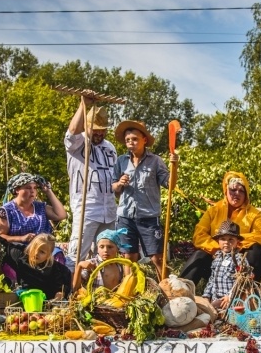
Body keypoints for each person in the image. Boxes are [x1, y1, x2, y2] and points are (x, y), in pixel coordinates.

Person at [111, 120, 178, 278]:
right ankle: (129, 290)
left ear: (144, 140)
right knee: (129, 256)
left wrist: (175, 166)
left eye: (134, 139)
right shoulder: (121, 161)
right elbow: (113, 187)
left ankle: (165, 290)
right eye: (128, 140)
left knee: (157, 257)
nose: (131, 143)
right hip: (125, 216)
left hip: (148, 217)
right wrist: (119, 183)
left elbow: (170, 184)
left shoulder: (155, 161)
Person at [179, 172, 261, 286]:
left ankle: (247, 293)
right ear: (226, 190)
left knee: (256, 249)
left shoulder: (254, 213)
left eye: (241, 191)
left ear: (246, 194)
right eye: (233, 190)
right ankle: (179, 292)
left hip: (240, 264)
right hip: (216, 262)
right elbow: (199, 235)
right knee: (199, 255)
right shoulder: (214, 210)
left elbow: (260, 235)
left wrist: (234, 245)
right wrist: (218, 249)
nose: (237, 194)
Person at [65, 100, 118, 271]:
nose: (99, 134)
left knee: (106, 254)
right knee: (77, 253)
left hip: (109, 210)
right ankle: (69, 290)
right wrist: (83, 104)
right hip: (87, 209)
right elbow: (73, 130)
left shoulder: (109, 148)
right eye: (95, 129)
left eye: (102, 130)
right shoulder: (78, 143)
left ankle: (101, 288)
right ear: (86, 127)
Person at [0, 172, 67, 282]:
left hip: (43, 249)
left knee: (57, 255)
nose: (32, 191)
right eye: (28, 188)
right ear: (17, 190)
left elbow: (61, 215)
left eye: (35, 188)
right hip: (20, 252)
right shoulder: (6, 211)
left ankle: (57, 290)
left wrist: (48, 191)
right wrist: (21, 238)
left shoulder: (40, 207)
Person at [7, 233, 72, 300]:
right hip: (24, 298)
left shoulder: (54, 268)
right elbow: (1, 242)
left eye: (42, 252)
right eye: (35, 248)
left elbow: (60, 290)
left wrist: (54, 301)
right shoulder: (21, 256)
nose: (36, 253)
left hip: (45, 301)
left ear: (48, 255)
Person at [202, 220, 247, 310]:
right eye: (223, 239)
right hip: (216, 300)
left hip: (231, 300)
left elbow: (243, 282)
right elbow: (212, 279)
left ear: (237, 241)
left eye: (231, 239)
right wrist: (206, 296)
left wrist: (230, 296)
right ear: (218, 241)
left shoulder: (239, 259)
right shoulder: (217, 258)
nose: (226, 242)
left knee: (229, 319)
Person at [72, 228, 126, 292]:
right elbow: (75, 288)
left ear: (117, 248)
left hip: (115, 300)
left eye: (110, 247)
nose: (105, 250)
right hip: (95, 301)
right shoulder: (91, 264)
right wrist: (79, 267)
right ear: (97, 248)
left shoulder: (121, 266)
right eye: (101, 247)